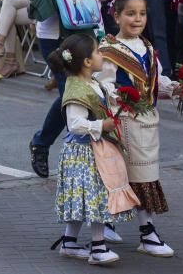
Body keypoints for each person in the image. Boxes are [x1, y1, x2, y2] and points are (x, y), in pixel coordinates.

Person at [28, 0, 115, 179]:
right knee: (72, 92)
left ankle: (43, 143)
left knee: (78, 93)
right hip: (56, 33)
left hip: (88, 30)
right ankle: (60, 150)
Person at [94, 0, 177, 257]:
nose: (137, 19)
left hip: (147, 120)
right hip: (124, 120)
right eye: (130, 14)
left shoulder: (148, 47)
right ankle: (147, 231)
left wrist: (172, 87)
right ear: (116, 16)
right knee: (134, 175)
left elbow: (156, 78)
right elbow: (103, 82)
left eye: (141, 14)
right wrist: (117, 96)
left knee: (140, 173)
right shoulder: (109, 50)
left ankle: (109, 222)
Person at [48, 33, 137, 265]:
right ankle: (98, 248)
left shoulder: (93, 83)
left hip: (94, 149)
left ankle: (69, 242)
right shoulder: (76, 89)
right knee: (96, 197)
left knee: (84, 197)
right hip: (84, 153)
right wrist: (101, 124)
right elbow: (75, 124)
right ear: (87, 62)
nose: (101, 55)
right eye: (98, 52)